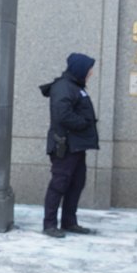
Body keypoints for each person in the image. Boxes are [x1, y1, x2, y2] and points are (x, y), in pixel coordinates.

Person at [39, 53, 99, 238]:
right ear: (79, 69)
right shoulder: (64, 87)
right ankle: (49, 224)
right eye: (88, 70)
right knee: (59, 184)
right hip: (64, 146)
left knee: (76, 184)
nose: (90, 74)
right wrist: (85, 123)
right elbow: (62, 115)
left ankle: (69, 222)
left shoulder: (75, 87)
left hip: (76, 146)